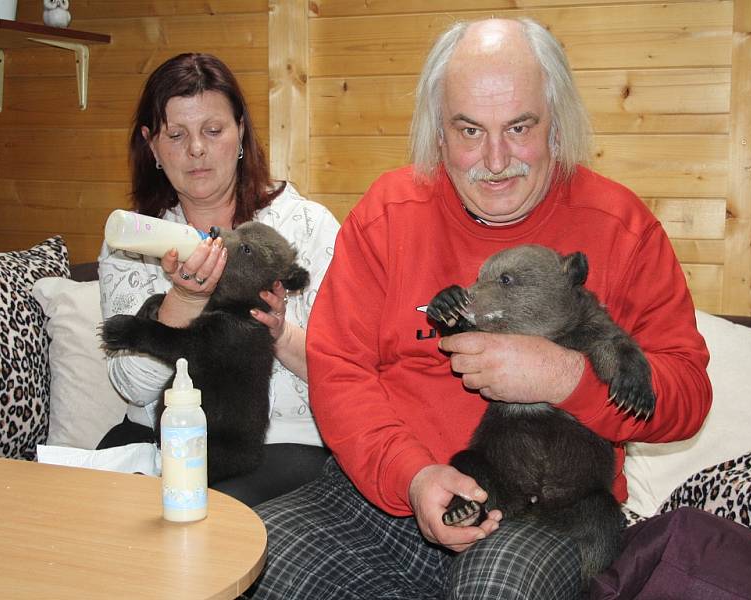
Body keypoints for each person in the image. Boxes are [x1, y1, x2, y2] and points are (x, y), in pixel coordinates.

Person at [245, 17, 712, 599]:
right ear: (438, 133)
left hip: (547, 511)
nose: (494, 160)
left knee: (496, 587)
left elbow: (686, 393)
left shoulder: (622, 228)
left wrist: (566, 376)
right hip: (385, 494)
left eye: (519, 127)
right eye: (469, 130)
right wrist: (411, 477)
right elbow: (340, 369)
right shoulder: (388, 214)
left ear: (557, 127)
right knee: (255, 564)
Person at [97, 53, 339, 507]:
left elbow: (347, 369)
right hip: (158, 438)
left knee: (201, 515)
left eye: (213, 130)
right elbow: (130, 386)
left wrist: (279, 331)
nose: (197, 150)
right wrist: (184, 300)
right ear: (151, 145)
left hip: (278, 442)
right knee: (94, 521)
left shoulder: (306, 226)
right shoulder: (134, 240)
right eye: (176, 135)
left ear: (240, 132)